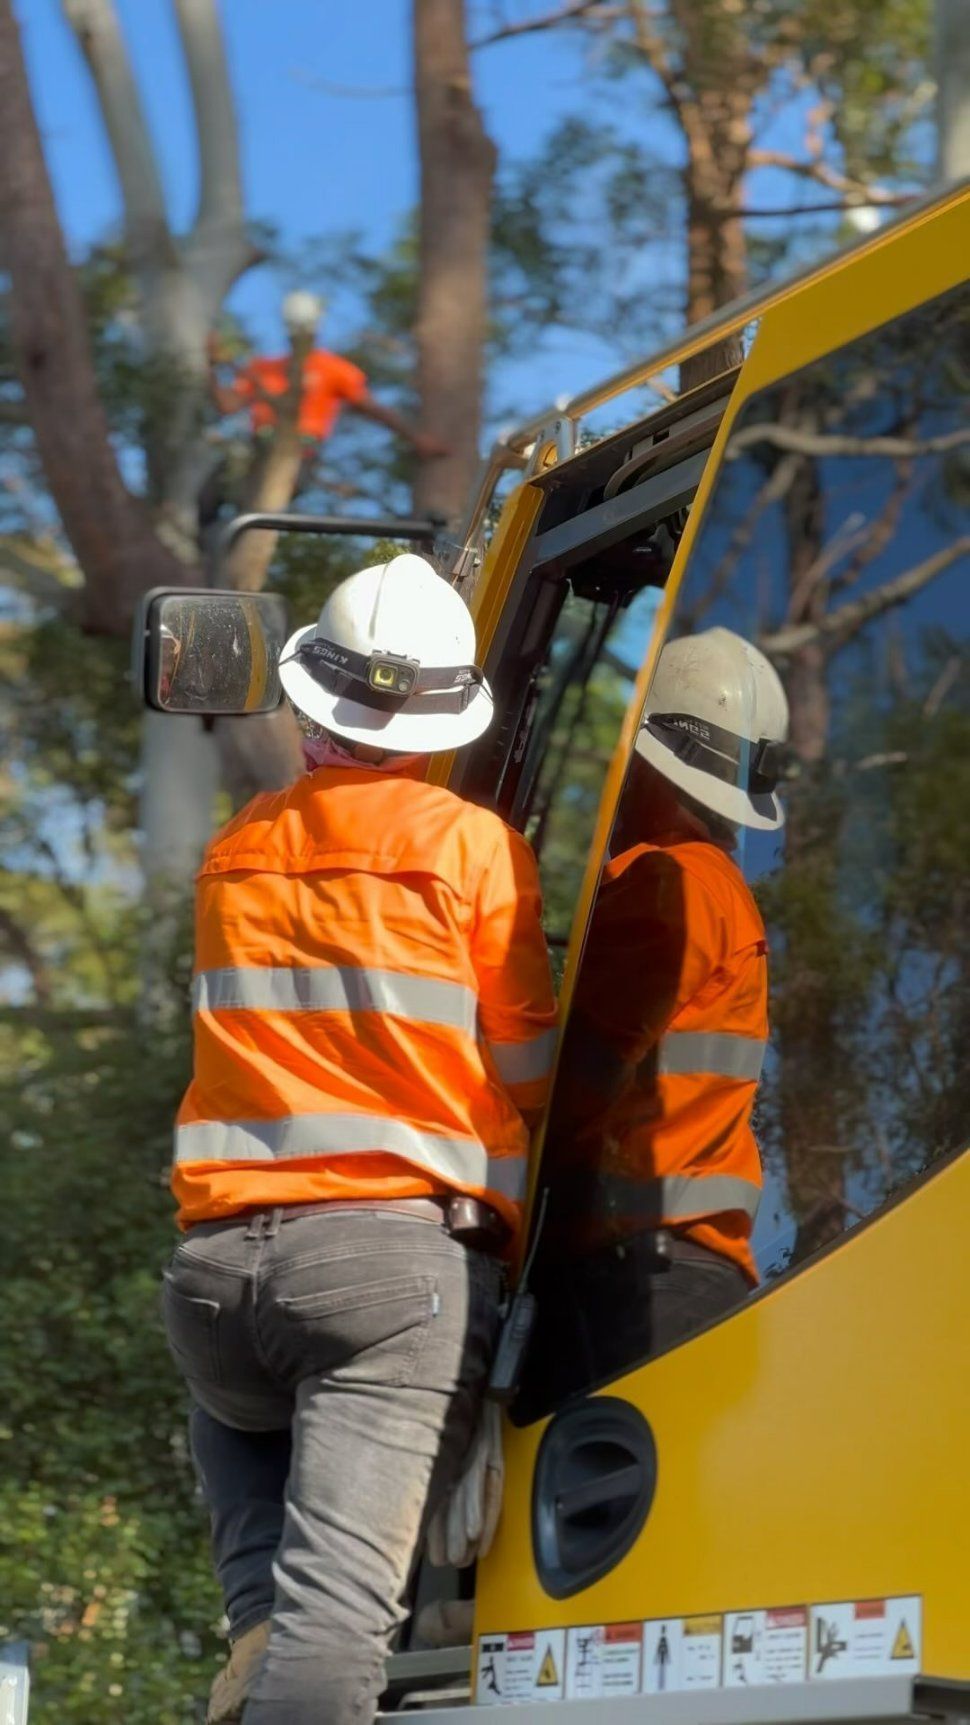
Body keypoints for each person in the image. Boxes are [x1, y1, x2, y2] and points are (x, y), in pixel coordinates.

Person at [163, 553, 558, 1724]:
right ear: (439, 720)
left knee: (237, 1418)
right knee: (342, 1627)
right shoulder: (470, 846)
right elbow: (529, 1063)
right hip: (386, 1269)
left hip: (215, 1270)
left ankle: (249, 1626)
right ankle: (284, 1653)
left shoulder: (234, 850)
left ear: (307, 708)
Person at [532, 627, 789, 1400]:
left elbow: (578, 1082)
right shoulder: (719, 890)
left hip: (638, 1277)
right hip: (683, 1273)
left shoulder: (668, 887)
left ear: (650, 760)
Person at [204, 292, 444, 516]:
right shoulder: (264, 368)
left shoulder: (333, 369)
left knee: (263, 511)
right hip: (256, 450)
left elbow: (373, 409)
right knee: (214, 496)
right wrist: (211, 365)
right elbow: (227, 405)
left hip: (300, 455)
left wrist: (417, 439)